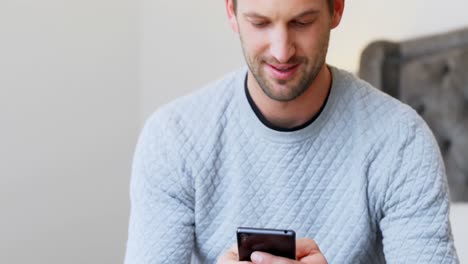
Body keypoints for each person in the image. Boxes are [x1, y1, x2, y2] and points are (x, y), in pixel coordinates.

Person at [124, 0, 459, 263]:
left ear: (336, 9)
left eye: (302, 22)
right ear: (231, 12)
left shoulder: (401, 141)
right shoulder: (173, 138)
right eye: (260, 23)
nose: (282, 51)